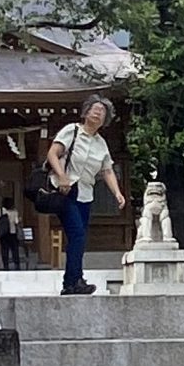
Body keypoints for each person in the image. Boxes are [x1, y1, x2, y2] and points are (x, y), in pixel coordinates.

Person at [45, 96, 126, 296]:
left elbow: (107, 170)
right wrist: (62, 177)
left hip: (86, 194)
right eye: (95, 109)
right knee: (78, 235)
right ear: (86, 111)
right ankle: (74, 280)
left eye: (102, 111)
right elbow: (52, 154)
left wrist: (117, 192)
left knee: (78, 238)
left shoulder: (101, 144)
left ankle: (72, 282)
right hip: (67, 190)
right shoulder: (72, 131)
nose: (98, 112)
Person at [0, 197, 24, 272]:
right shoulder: (14, 211)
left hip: (3, 234)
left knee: (4, 250)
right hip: (12, 232)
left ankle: (6, 265)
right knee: (14, 250)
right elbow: (16, 222)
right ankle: (17, 265)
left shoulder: (0, 211)